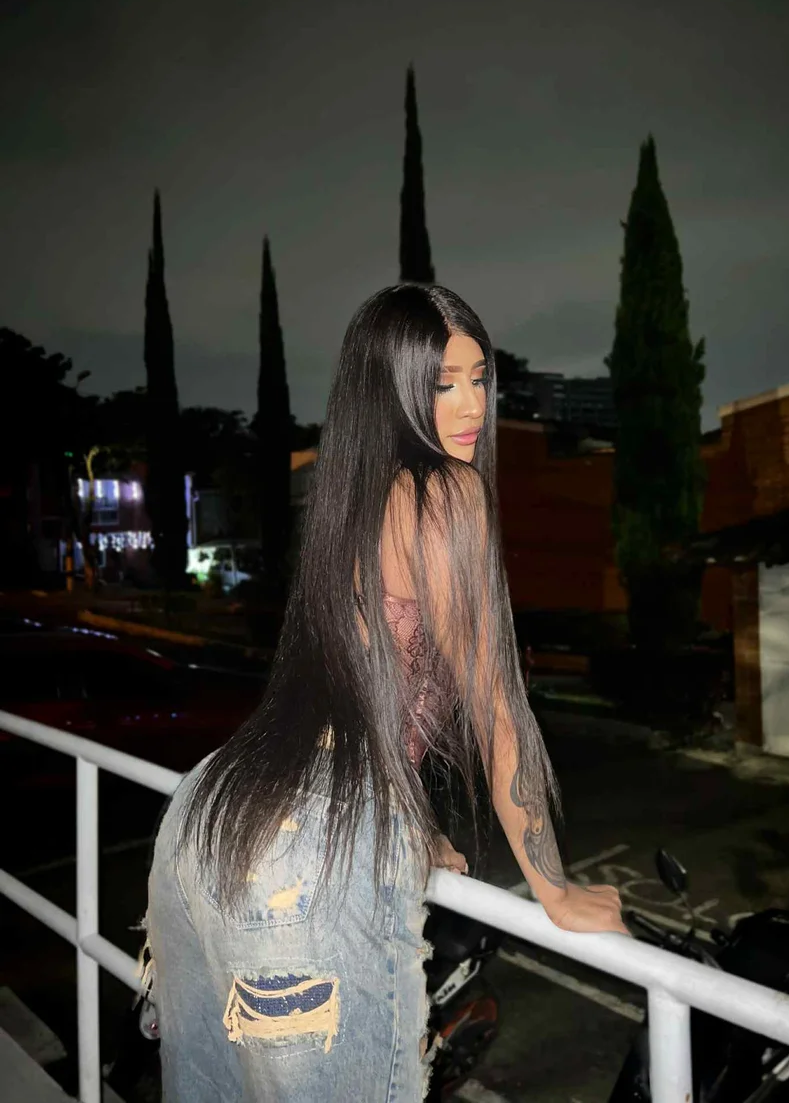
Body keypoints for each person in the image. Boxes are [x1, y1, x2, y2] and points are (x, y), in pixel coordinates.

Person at [144, 283, 626, 1102]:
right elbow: (497, 706)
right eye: (442, 383)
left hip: (211, 811)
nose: (471, 404)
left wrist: (415, 825)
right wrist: (554, 887)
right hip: (308, 852)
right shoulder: (447, 495)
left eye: (480, 377)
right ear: (392, 389)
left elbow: (356, 702)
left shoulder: (352, 499)